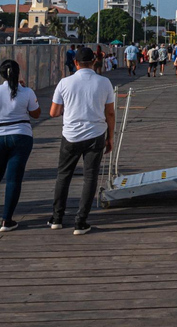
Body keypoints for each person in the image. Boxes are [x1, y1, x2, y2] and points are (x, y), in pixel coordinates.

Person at [48, 47, 115, 235]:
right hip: (96, 134)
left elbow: (53, 112)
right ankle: (81, 221)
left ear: (75, 63)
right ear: (94, 61)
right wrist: (110, 137)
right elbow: (109, 112)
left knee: (63, 175)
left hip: (70, 135)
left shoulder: (64, 82)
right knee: (90, 177)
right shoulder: (104, 82)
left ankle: (57, 218)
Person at [0, 60, 41, 232]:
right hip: (21, 136)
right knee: (13, 179)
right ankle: (6, 220)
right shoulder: (26, 91)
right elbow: (36, 114)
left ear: (1, 74)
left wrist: (0, 110)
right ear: (18, 74)